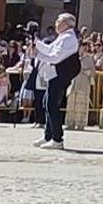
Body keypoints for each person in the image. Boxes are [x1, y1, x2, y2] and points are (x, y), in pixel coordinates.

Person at [33, 13, 80, 150]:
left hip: (60, 75)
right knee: (47, 103)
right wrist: (37, 43)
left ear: (66, 24)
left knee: (52, 105)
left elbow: (56, 57)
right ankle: (49, 136)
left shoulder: (69, 39)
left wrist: (38, 54)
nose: (56, 23)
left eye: (58, 21)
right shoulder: (63, 37)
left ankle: (57, 138)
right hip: (54, 75)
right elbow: (50, 49)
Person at [65, 41, 95, 131]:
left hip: (83, 83)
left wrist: (86, 71)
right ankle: (71, 123)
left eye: (84, 47)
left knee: (81, 104)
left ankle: (80, 124)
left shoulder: (88, 59)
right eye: (81, 46)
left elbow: (92, 71)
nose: (82, 48)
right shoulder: (74, 58)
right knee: (71, 104)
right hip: (73, 83)